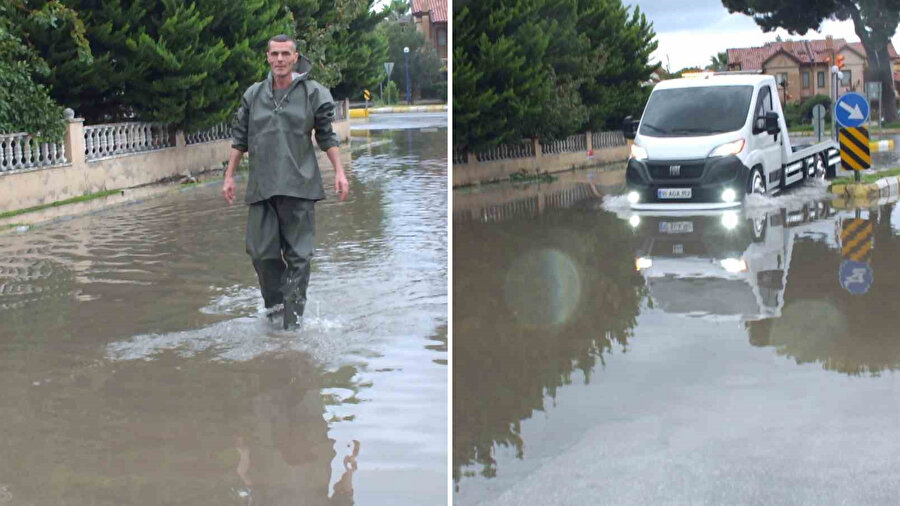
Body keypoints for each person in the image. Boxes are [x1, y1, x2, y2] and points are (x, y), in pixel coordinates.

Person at [223, 34, 349, 329]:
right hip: (262, 187)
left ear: (295, 58)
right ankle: (277, 309)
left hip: (299, 186)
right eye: (274, 54)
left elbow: (326, 135)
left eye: (285, 54)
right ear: (267, 57)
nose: (279, 59)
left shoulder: (313, 93)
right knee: (260, 253)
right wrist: (229, 176)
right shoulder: (254, 94)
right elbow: (240, 138)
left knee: (299, 258)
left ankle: (292, 325)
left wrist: (339, 172)